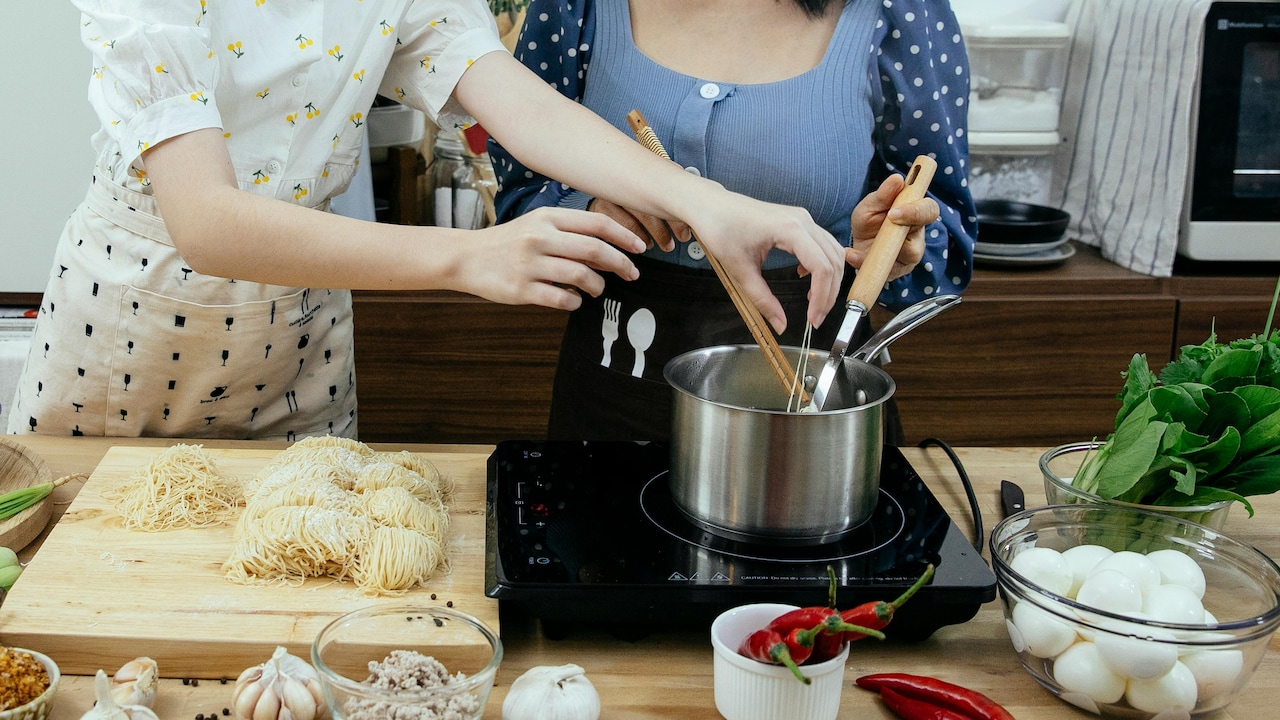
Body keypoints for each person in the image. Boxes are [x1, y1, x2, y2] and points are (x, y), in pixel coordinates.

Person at [7, 0, 847, 441]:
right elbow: (208, 221)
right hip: (139, 331)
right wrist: (466, 256)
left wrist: (711, 204)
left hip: (299, 329)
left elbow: (520, 105)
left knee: (298, 620)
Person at [491, 0, 978, 441]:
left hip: (810, 399)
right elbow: (522, 189)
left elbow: (944, 227)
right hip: (615, 366)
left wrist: (890, 249)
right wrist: (591, 213)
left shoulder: (902, 11)